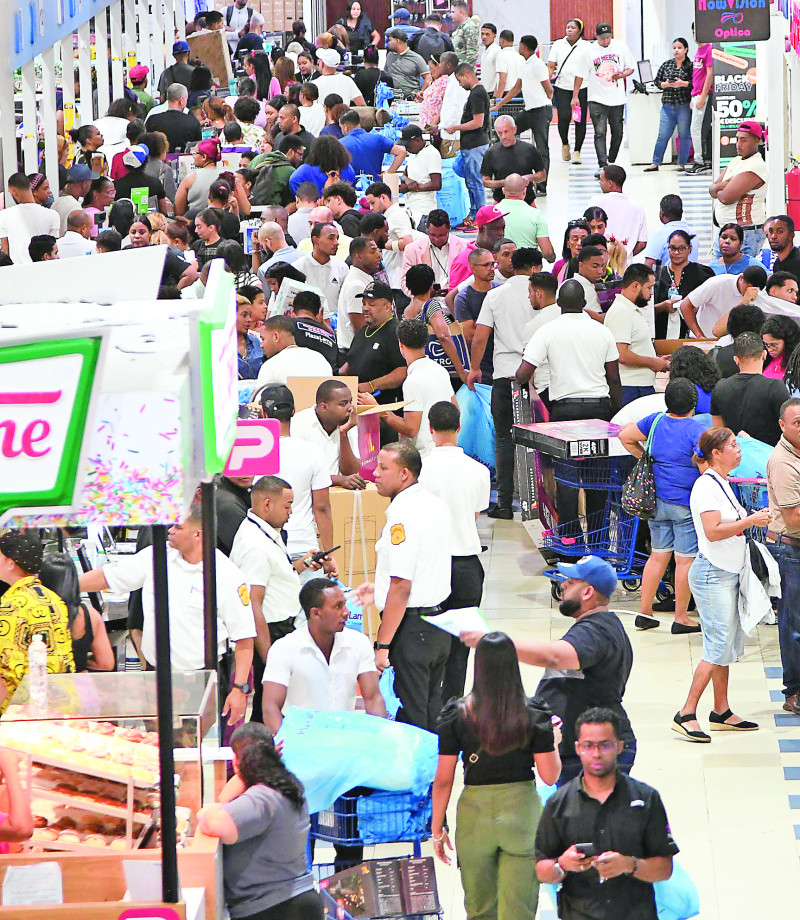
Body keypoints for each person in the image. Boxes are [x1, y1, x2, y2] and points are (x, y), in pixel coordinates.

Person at [463, 556, 635, 783]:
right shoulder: (596, 627)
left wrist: (493, 642)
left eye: (571, 582)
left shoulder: (596, 631)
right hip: (579, 747)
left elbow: (553, 656)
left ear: (587, 593)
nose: (562, 585)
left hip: (594, 749)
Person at [80, 507, 255, 724]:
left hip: (199, 680)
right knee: (155, 746)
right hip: (156, 676)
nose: (170, 531)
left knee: (192, 749)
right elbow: (107, 576)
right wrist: (68, 585)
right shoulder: (156, 556)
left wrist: (239, 688)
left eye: (178, 527)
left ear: (198, 534)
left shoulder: (227, 575)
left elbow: (245, 639)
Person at [432, 632, 561, 920]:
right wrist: (553, 740)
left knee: (479, 909)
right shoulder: (533, 714)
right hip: (522, 815)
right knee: (520, 910)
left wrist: (437, 826)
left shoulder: (456, 715)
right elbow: (550, 776)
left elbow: (443, 779)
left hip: (474, 818)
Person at [674, 428, 770, 741]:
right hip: (711, 574)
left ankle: (721, 710)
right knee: (716, 646)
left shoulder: (722, 482)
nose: (738, 450)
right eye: (733, 445)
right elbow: (713, 531)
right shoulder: (705, 487)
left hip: (728, 572)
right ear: (716, 452)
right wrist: (750, 521)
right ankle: (686, 712)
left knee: (726, 645)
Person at [535, 707, 678, 918]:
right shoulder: (559, 804)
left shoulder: (646, 799)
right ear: (577, 748)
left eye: (605, 745)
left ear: (620, 746)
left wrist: (629, 864)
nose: (596, 753)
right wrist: (562, 864)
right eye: (588, 745)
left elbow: (665, 869)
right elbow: (541, 869)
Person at [354, 443, 452, 730]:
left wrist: (382, 645)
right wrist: (379, 589)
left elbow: (402, 587)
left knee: (411, 719)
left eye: (384, 468)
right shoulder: (434, 504)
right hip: (437, 625)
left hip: (412, 631)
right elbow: (425, 564)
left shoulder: (402, 516)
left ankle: (421, 774)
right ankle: (436, 773)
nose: (375, 473)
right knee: (432, 709)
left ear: (405, 474)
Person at [517, 280, 621, 538]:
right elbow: (614, 378)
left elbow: (523, 373)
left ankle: (569, 539)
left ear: (559, 303)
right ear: (584, 304)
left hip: (564, 413)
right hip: (598, 409)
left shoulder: (547, 330)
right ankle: (598, 541)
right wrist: (614, 414)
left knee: (567, 481)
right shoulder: (602, 331)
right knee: (598, 481)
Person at [197, 724, 323, 920]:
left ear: (237, 761)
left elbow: (213, 822)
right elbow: (225, 801)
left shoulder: (262, 799)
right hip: (293, 902)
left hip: (274, 908)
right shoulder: (286, 787)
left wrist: (205, 811)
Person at [229, 473, 324, 719]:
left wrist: (302, 564)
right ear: (267, 504)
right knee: (270, 707)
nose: (291, 511)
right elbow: (253, 605)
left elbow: (275, 574)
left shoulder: (265, 531)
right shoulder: (255, 545)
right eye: (287, 505)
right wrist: (270, 657)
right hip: (269, 633)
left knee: (277, 705)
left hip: (279, 628)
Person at [618, 378, 706, 632]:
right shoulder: (695, 429)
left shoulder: (655, 421)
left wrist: (644, 456)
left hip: (655, 501)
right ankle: (681, 617)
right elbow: (702, 462)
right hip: (683, 503)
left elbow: (626, 435)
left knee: (658, 556)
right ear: (694, 404)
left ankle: (645, 612)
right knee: (685, 560)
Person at [419, 401, 490, 702]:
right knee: (461, 646)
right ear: (459, 427)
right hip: (466, 566)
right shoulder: (478, 470)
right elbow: (475, 514)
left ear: (430, 429)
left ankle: (427, 711)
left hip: (429, 567)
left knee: (427, 644)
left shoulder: (418, 467)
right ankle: (453, 710)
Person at [467, 247, 541, 518]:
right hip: (537, 377)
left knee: (503, 439)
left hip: (504, 376)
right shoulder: (544, 295)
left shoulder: (495, 296)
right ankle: (538, 504)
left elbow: (480, 336)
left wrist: (475, 368)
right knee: (540, 440)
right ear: (535, 268)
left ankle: (505, 503)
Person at [262, 577, 385, 730]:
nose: (346, 612)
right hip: (302, 740)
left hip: (344, 738)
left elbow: (373, 699)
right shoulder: (284, 648)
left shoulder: (359, 642)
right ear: (316, 613)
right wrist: (287, 743)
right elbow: (270, 707)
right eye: (338, 606)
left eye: (345, 604)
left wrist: (381, 737)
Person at [0, 532, 75, 714]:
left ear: (11, 563)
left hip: (23, 712)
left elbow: (6, 673)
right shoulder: (54, 599)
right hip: (62, 704)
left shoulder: (12, 606)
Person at [361, 318, 454, 455]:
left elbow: (411, 429)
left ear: (400, 345)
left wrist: (378, 410)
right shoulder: (440, 370)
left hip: (424, 456)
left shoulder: (413, 381)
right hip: (444, 448)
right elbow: (455, 408)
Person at [766, 398, 800, 715]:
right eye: (797, 423)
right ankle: (794, 692)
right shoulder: (783, 462)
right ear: (782, 425)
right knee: (794, 623)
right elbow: (794, 519)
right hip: (791, 549)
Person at [710, 331, 789, 446]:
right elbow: (792, 426)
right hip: (768, 457)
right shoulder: (775, 387)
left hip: (735, 457)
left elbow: (718, 433)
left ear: (736, 359)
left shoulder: (720, 387)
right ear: (764, 355)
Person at [39, 553, 114, 672]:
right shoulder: (90, 615)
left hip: (42, 684)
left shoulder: (33, 614)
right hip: (77, 685)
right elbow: (106, 663)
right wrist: (80, 661)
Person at [604, 263, 667, 406]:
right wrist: (653, 362)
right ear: (635, 286)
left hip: (639, 386)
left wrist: (655, 359)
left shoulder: (630, 310)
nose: (651, 293)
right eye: (649, 288)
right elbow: (622, 354)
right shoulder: (621, 311)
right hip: (631, 388)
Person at [340, 281, 407, 405]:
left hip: (383, 405)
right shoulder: (362, 331)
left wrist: (372, 385)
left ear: (387, 307)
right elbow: (351, 362)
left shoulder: (396, 332)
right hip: (355, 402)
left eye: (371, 304)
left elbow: (402, 370)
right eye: (364, 304)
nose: (365, 308)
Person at [580, 22, 635, 174]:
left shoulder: (620, 47)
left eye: (608, 37)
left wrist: (622, 74)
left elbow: (631, 67)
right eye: (602, 38)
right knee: (600, 131)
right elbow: (580, 74)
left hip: (617, 98)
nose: (606, 41)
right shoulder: (589, 51)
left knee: (617, 132)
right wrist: (575, 96)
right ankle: (602, 164)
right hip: (597, 98)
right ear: (596, 36)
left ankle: (611, 159)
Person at [442, 63, 491, 232]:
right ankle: (473, 214)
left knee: (475, 182)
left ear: (467, 76)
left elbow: (478, 122)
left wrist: (456, 127)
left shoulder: (477, 94)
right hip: (470, 145)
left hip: (475, 145)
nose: (460, 84)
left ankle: (480, 219)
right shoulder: (476, 93)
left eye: (459, 80)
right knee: (469, 180)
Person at [709, 121, 768, 257]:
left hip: (745, 234)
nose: (738, 144)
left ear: (756, 141)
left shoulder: (756, 166)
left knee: (740, 277)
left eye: (743, 140)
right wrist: (721, 186)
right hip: (726, 232)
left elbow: (726, 198)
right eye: (737, 139)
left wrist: (721, 188)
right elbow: (712, 190)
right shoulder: (735, 161)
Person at [291, 381, 362, 487]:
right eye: (343, 404)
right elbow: (298, 473)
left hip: (339, 494)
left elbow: (351, 471)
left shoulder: (349, 424)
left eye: (350, 402)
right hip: (307, 494)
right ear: (324, 407)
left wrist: (343, 433)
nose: (350, 408)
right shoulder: (299, 423)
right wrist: (338, 480)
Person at [643, 38, 693, 172]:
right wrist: (663, 85)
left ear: (686, 49)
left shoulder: (690, 66)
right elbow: (657, 80)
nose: (676, 50)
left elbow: (695, 84)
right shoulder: (666, 64)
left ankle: (682, 163)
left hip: (683, 105)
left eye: (680, 47)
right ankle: (655, 162)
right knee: (663, 135)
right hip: (667, 105)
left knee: (684, 134)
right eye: (674, 47)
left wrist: (683, 83)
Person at [680, 263, 767, 338]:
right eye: (748, 288)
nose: (750, 293)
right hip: (704, 338)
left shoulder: (759, 294)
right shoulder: (718, 283)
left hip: (727, 343)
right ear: (741, 278)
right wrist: (699, 336)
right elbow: (685, 305)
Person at [547, 18, 591, 165]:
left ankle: (577, 151)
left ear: (580, 30)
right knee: (564, 117)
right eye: (567, 27)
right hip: (562, 87)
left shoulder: (586, 46)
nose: (569, 30)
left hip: (582, 88)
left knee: (580, 119)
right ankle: (565, 143)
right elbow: (551, 65)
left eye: (573, 27)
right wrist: (546, 81)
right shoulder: (558, 44)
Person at [481, 115, 545, 207]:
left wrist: (529, 178)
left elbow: (542, 175)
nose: (503, 136)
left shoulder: (529, 150)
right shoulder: (491, 153)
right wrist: (506, 183)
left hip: (527, 202)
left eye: (506, 132)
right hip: (501, 202)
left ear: (514, 129)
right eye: (500, 133)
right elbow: (485, 181)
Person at [585, 165, 647, 259]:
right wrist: (625, 256)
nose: (599, 183)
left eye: (601, 180)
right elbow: (642, 243)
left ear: (610, 183)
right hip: (625, 266)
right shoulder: (637, 207)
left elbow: (586, 232)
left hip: (599, 263)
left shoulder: (595, 202)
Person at [401, 209, 468, 293]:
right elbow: (405, 282)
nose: (437, 239)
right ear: (426, 229)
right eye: (432, 235)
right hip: (424, 302)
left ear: (449, 228)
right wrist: (421, 297)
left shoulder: (465, 247)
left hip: (455, 300)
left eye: (441, 235)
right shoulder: (411, 249)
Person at [364, 181, 416, 288]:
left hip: (399, 277)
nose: (371, 208)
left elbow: (408, 242)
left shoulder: (397, 215)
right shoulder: (389, 215)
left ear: (383, 197)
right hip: (391, 274)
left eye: (373, 203)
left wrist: (382, 246)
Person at [0, 172, 60, 263]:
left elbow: (5, 251)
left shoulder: (4, 216)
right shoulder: (52, 215)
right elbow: (54, 249)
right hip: (44, 269)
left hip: (16, 271)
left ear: (13, 192)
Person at [256, 315, 333, 383]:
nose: (261, 345)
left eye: (263, 339)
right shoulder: (320, 359)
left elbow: (258, 398)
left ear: (276, 337)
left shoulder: (271, 366)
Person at [337, 236, 383, 349]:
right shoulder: (356, 285)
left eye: (378, 250)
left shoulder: (364, 279)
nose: (379, 255)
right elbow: (361, 329)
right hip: (353, 352)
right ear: (359, 256)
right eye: (373, 251)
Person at [339, 109, 406, 183]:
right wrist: (389, 172)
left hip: (350, 188)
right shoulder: (378, 139)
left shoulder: (340, 144)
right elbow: (402, 152)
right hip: (375, 188)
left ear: (345, 127)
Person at [449, 203, 506, 289]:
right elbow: (453, 298)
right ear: (482, 229)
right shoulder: (464, 260)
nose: (501, 233)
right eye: (496, 229)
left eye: (503, 228)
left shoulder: (503, 255)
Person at [497, 174, 553, 259]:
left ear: (503, 190)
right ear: (524, 191)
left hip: (501, 268)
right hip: (528, 267)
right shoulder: (536, 215)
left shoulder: (492, 213)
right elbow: (548, 254)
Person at [397, 125, 441, 227]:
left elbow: (436, 184)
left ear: (417, 140)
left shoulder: (431, 153)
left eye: (408, 145)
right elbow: (404, 174)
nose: (406, 149)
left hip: (424, 210)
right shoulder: (413, 154)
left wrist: (411, 188)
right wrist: (407, 181)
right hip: (411, 207)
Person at [643, 195, 699, 269]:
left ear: (662, 213)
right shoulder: (693, 234)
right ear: (681, 213)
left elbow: (649, 265)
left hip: (668, 279)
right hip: (692, 278)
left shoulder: (659, 234)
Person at [113, 143, 170, 215]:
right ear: (146, 161)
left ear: (125, 163)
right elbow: (163, 213)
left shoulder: (116, 186)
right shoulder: (155, 183)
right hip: (151, 223)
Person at [687, 28, 713, 174]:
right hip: (695, 94)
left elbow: (710, 74)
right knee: (696, 129)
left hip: (702, 95)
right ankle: (700, 159)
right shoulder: (699, 50)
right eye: (693, 32)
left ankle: (700, 160)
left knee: (695, 129)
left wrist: (702, 96)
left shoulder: (708, 49)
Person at [146, 83, 202, 152]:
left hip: (157, 161)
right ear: (181, 100)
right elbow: (198, 148)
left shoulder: (152, 120)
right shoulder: (193, 122)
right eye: (186, 99)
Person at [216, 474, 254, 557]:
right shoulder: (228, 504)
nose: (246, 473)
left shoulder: (240, 489)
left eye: (249, 464)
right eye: (240, 465)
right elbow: (249, 551)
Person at [385, 31, 431, 99]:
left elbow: (428, 77)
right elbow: (385, 74)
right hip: (392, 97)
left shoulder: (416, 58)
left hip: (410, 98)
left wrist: (421, 92)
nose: (388, 43)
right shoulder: (390, 56)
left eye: (390, 40)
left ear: (398, 41)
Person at [53, 163, 97, 235]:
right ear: (84, 184)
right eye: (90, 183)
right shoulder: (74, 207)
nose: (90, 187)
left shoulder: (57, 202)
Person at [491, 29, 524, 116]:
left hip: (506, 96)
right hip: (519, 95)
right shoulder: (520, 57)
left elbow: (502, 79)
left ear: (501, 40)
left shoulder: (501, 56)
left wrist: (498, 100)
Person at [762, 314, 800, 381]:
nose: (769, 349)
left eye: (774, 344)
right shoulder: (765, 359)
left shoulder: (796, 363)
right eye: (766, 344)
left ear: (787, 340)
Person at [237, 295, 263, 379]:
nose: (249, 320)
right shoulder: (219, 346)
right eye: (244, 315)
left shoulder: (256, 341)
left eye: (250, 315)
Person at [765, 214, 800, 278]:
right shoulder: (777, 263)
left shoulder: (797, 262)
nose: (773, 236)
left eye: (779, 231)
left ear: (791, 235)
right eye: (771, 231)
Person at [450, 0, 480, 66]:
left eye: (453, 12)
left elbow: (472, 54)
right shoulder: (460, 28)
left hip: (465, 72)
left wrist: (463, 71)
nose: (450, 15)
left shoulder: (470, 28)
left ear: (461, 12)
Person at [479, 23, 499, 94]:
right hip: (485, 91)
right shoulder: (484, 51)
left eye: (487, 34)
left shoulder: (496, 51)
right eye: (482, 34)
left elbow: (500, 75)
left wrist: (496, 94)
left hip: (493, 92)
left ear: (494, 35)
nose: (484, 37)